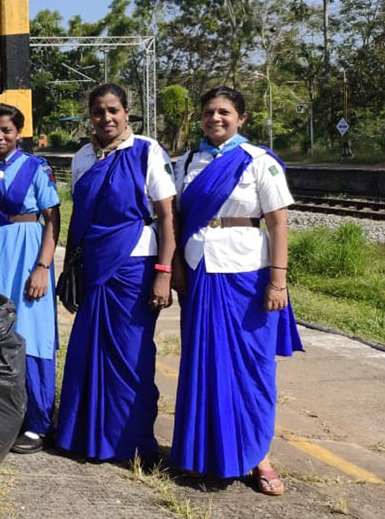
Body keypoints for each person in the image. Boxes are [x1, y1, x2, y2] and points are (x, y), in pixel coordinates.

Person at [170, 86, 302, 496]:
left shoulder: (259, 161)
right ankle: (205, 454)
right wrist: (174, 265)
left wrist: (278, 280)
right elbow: (172, 218)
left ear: (241, 118)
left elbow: (278, 223)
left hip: (246, 274)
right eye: (209, 112)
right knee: (204, 365)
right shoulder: (188, 162)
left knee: (252, 368)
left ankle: (258, 455)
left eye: (224, 112)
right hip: (200, 271)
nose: (216, 118)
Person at [55, 83, 176, 462]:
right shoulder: (82, 158)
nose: (106, 118)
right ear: (89, 116)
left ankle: (132, 441)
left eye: (113, 111)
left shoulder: (145, 151)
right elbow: (80, 218)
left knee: (131, 356)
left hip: (136, 265)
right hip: (94, 266)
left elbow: (168, 215)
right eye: (98, 112)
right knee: (88, 353)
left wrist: (164, 271)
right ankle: (85, 436)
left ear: (126, 112)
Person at [0, 103, 61, 455]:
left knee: (32, 333)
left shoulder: (37, 168)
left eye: (6, 130)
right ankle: (4, 419)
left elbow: (52, 219)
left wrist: (42, 266)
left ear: (19, 132)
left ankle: (38, 421)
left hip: (28, 254)